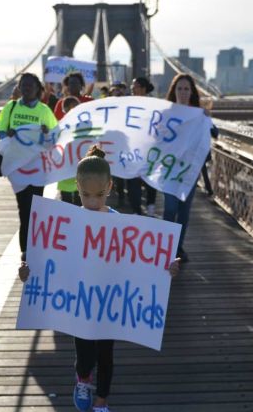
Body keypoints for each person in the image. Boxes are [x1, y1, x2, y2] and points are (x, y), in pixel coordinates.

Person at [18, 145, 180, 412]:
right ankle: (83, 378)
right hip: (79, 301)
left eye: (98, 194)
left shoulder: (122, 226)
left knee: (106, 354)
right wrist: (27, 270)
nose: (92, 202)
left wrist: (167, 267)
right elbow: (46, 260)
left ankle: (102, 399)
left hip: (109, 303)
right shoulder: (68, 223)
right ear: (76, 189)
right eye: (85, 195)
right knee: (84, 353)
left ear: (110, 188)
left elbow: (141, 259)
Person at [0, 73, 58, 261]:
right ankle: (26, 250)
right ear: (19, 87)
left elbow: (54, 138)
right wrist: (7, 133)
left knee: (35, 207)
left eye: (30, 85)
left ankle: (34, 246)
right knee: (24, 208)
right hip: (17, 167)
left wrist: (47, 133)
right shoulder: (11, 107)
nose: (27, 88)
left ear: (38, 88)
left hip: (37, 166)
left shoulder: (44, 110)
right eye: (23, 85)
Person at [162, 73, 213, 263]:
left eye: (186, 89)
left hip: (189, 171)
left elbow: (214, 133)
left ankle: (178, 247)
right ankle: (166, 246)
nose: (183, 92)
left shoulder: (198, 114)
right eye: (179, 88)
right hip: (169, 170)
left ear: (191, 92)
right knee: (170, 208)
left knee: (184, 210)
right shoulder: (166, 113)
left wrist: (207, 118)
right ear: (173, 91)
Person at [127, 77, 158, 216]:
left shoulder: (154, 105)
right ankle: (136, 210)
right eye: (132, 86)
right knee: (132, 179)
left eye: (136, 86)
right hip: (132, 149)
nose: (133, 88)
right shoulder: (127, 105)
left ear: (144, 88)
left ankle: (151, 204)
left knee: (150, 178)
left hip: (149, 148)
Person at [58, 96, 82, 206]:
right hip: (65, 172)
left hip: (81, 172)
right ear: (65, 109)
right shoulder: (60, 126)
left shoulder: (87, 125)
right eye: (73, 107)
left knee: (80, 203)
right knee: (66, 205)